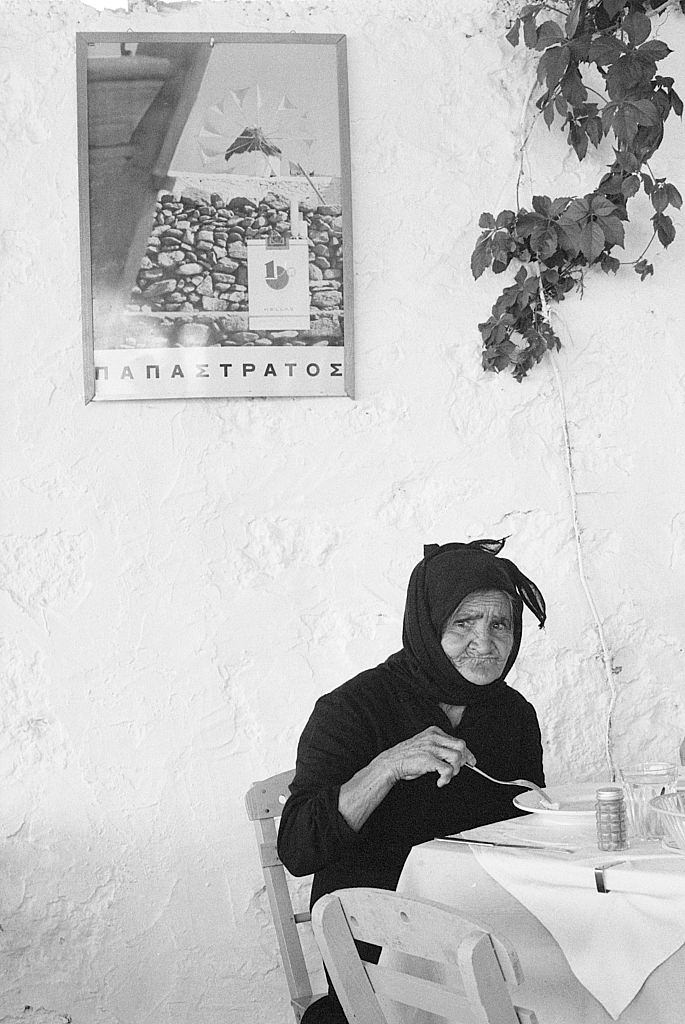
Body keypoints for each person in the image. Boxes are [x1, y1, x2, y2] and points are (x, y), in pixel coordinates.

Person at [277, 539, 546, 1022]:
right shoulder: (352, 709)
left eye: (499, 623)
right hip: (379, 958)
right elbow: (297, 849)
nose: (485, 643)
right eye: (463, 622)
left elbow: (528, 827)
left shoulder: (512, 714)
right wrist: (387, 766)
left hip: (490, 946)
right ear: (428, 623)